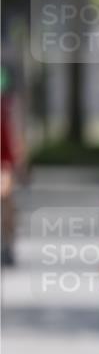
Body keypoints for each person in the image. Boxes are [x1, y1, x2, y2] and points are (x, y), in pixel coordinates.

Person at [1, 65, 26, 267]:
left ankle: (8, 245)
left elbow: (15, 135)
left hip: (4, 160)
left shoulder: (7, 104)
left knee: (6, 199)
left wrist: (20, 162)